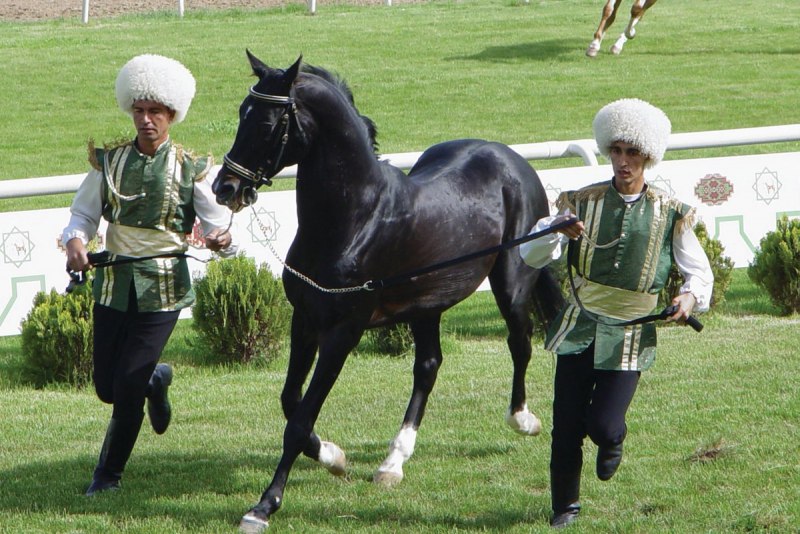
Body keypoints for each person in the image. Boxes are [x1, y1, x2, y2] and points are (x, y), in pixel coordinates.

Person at [519, 98, 714, 527]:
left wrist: (688, 298)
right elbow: (532, 256)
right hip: (579, 326)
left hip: (632, 331)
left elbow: (698, 272)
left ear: (648, 156)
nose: (623, 162)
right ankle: (564, 507)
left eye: (633, 153)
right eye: (617, 151)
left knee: (604, 424)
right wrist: (555, 229)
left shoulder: (669, 212)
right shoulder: (580, 202)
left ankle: (613, 439)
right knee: (565, 425)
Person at [62, 54, 237, 496]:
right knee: (107, 386)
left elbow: (220, 225)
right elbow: (83, 214)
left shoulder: (189, 168)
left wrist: (219, 239)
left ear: (171, 115)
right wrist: (77, 242)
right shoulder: (110, 162)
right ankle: (157, 379)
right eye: (139, 111)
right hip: (113, 285)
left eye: (155, 112)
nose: (146, 120)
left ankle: (108, 476)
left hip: (164, 289)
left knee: (127, 385)